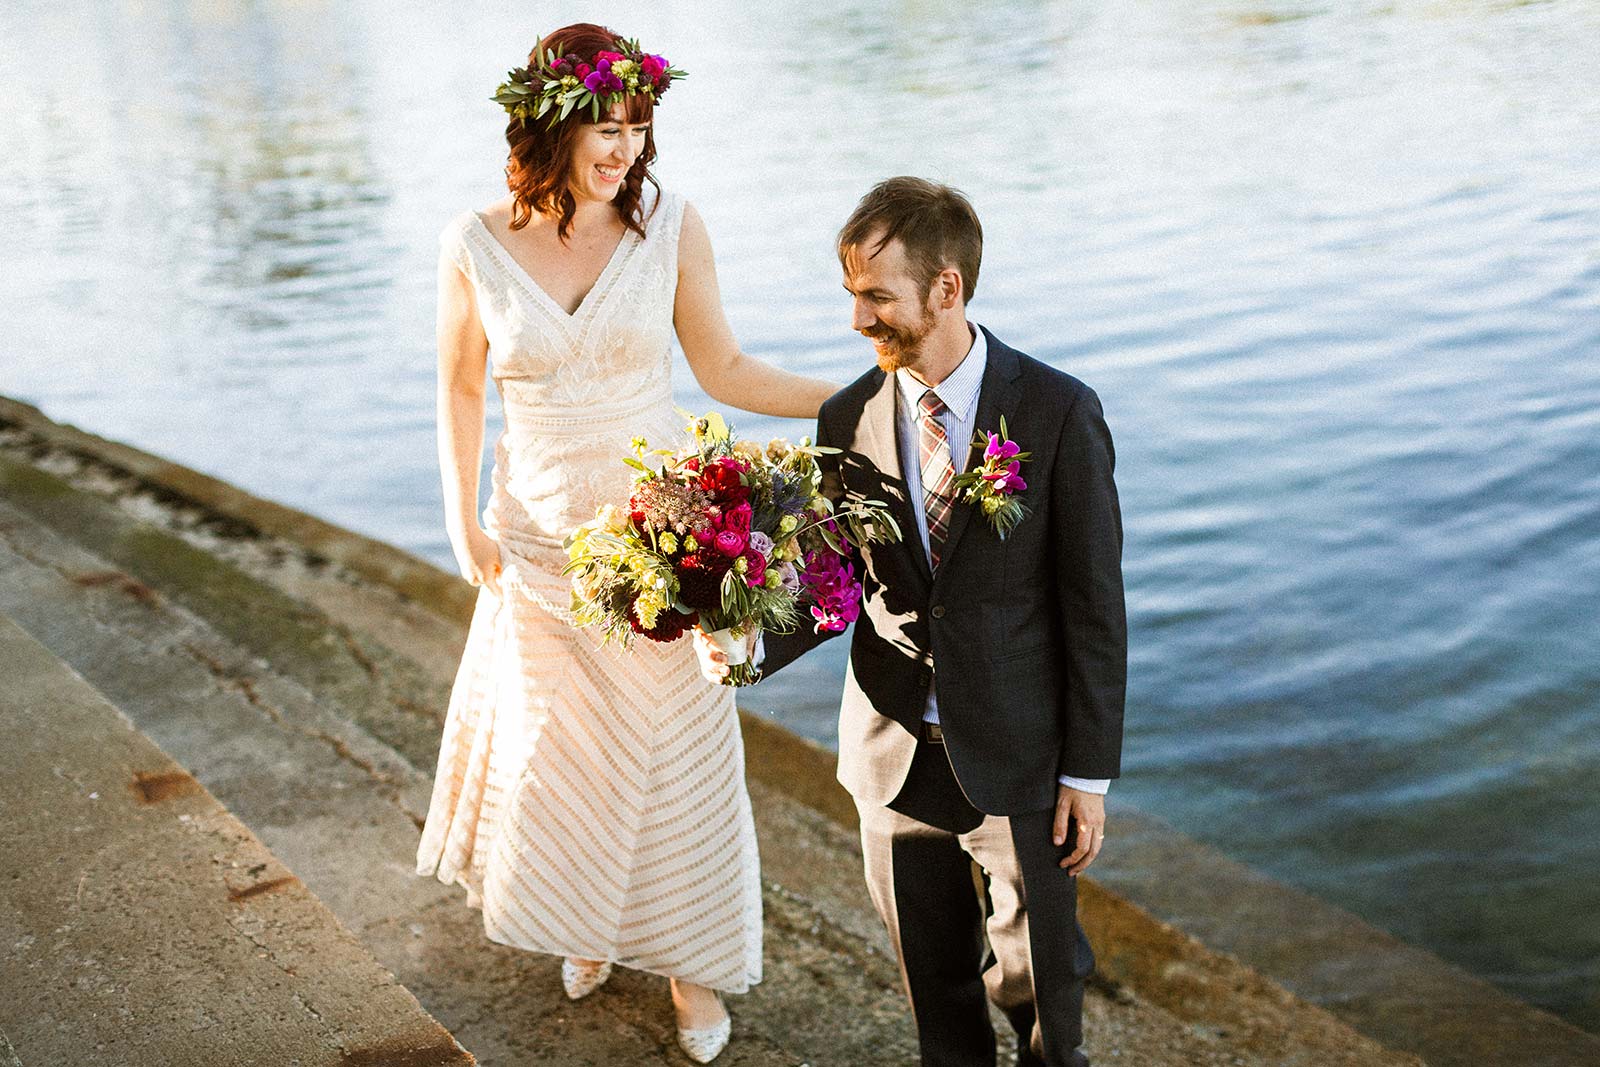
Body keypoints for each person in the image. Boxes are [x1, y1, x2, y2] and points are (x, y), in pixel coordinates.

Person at [414, 23, 836, 1064]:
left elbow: (726, 369)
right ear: (549, 125)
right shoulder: (472, 242)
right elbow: (461, 386)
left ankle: (693, 969)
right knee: (563, 761)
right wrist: (460, 517)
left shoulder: (672, 228)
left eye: (638, 128)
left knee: (679, 763)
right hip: (537, 551)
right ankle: (586, 921)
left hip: (667, 548)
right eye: (606, 127)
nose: (625, 149)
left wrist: (853, 396)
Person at [696, 177, 1127, 1067]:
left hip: (1020, 759)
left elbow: (1093, 608)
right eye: (851, 293)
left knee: (1045, 988)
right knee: (935, 996)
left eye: (877, 296)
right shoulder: (845, 415)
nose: (858, 318)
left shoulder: (1058, 410)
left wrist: (1087, 773)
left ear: (947, 288)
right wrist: (746, 643)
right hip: (891, 757)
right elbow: (835, 579)